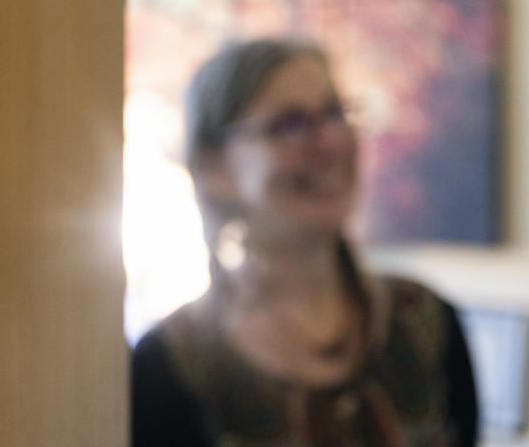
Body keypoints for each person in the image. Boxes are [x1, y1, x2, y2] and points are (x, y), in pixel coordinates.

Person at [131, 38, 477, 446]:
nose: (330, 141)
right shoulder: (168, 369)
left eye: (335, 113)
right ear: (214, 168)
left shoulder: (426, 323)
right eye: (290, 124)